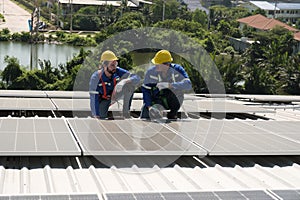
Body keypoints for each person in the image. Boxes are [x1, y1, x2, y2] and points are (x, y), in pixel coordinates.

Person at [141, 50, 192, 120]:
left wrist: (170, 85)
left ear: (167, 65)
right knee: (145, 116)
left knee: (177, 94)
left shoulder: (177, 70)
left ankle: (173, 114)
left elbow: (188, 85)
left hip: (172, 100)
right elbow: (145, 89)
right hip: (156, 100)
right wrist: (149, 107)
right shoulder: (151, 72)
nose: (156, 66)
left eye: (158, 64)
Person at [89, 50, 140, 119]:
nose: (115, 67)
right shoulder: (95, 78)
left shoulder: (117, 71)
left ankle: (126, 113)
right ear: (104, 65)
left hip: (115, 95)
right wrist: (96, 115)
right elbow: (94, 98)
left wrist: (125, 81)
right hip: (104, 100)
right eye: (112, 65)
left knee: (129, 86)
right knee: (101, 117)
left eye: (116, 64)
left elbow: (137, 78)